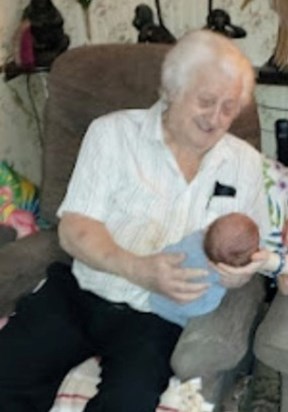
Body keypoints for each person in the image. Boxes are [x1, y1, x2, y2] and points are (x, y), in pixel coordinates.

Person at [0, 29, 270, 412]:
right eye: (206, 101)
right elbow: (75, 229)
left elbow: (253, 253)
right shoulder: (112, 134)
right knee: (7, 373)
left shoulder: (243, 163)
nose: (216, 119)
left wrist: (238, 273)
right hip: (79, 292)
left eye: (229, 107)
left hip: (156, 318)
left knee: (128, 401)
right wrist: (140, 268)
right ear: (172, 90)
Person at [150, 212, 260, 326]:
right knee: (204, 304)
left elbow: (166, 253)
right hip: (180, 311)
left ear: (208, 228)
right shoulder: (223, 275)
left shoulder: (192, 240)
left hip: (157, 297)